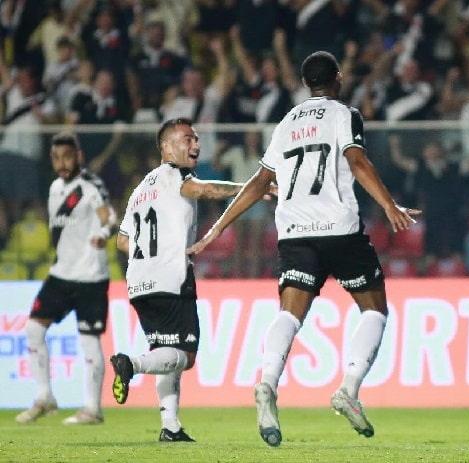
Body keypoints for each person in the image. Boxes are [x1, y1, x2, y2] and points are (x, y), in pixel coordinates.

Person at [188, 51, 421, 447]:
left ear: (304, 83)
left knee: (289, 314)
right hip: (338, 228)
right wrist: (388, 205)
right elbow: (358, 161)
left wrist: (215, 228)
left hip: (294, 231)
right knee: (374, 309)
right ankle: (348, 388)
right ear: (339, 79)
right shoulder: (345, 115)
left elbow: (258, 183)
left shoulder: (285, 124)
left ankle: (265, 383)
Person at [110, 118, 270, 442]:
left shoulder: (140, 189)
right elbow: (206, 189)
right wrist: (253, 188)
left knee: (164, 349)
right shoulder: (177, 175)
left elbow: (122, 241)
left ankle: (170, 426)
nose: (195, 144)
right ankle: (131, 364)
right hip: (171, 277)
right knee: (186, 355)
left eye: (196, 138)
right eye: (186, 139)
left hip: (138, 281)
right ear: (166, 147)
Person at [15, 132, 119, 425]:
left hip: (89, 277)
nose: (62, 163)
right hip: (61, 274)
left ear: (79, 157)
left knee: (89, 341)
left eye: (68, 157)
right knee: (33, 329)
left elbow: (110, 218)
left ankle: (92, 408)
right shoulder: (54, 188)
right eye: (57, 158)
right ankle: (45, 396)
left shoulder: (89, 186)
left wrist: (102, 233)